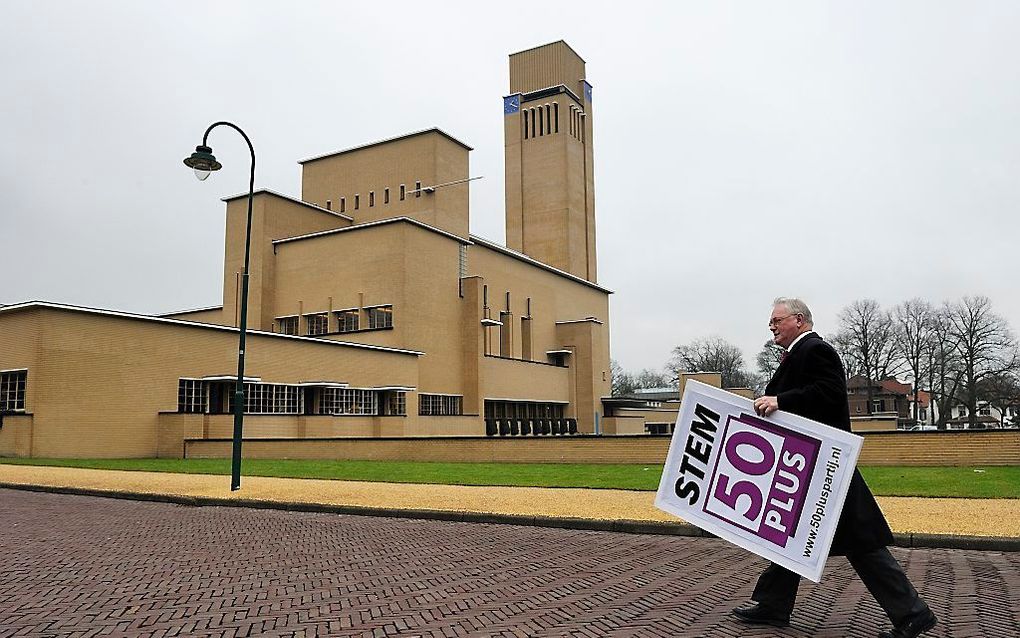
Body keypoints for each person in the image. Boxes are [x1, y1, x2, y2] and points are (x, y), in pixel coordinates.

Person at [731, 297, 937, 638]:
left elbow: (828, 393)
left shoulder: (815, 350)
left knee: (861, 543)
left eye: (776, 320)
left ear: (798, 320)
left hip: (826, 466)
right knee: (791, 532)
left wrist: (780, 400)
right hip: (810, 463)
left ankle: (913, 613)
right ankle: (773, 604)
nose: (771, 326)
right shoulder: (799, 353)